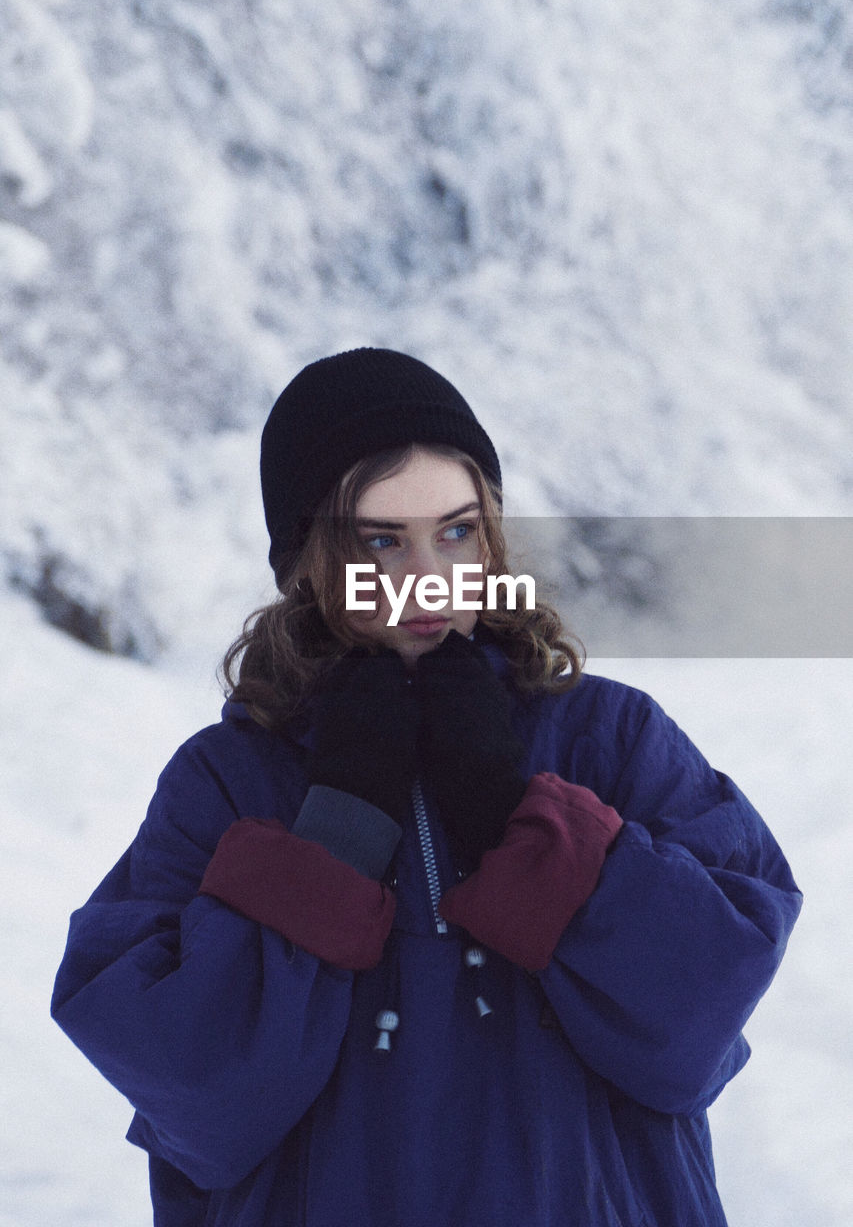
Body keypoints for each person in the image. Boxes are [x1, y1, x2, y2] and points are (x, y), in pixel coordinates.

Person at [52, 347, 802, 1227]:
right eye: (379, 541)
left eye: (456, 530)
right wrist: (330, 840)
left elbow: (696, 1022)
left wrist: (517, 821)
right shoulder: (226, 783)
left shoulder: (610, 738)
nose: (427, 577)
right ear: (307, 557)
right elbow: (199, 1100)